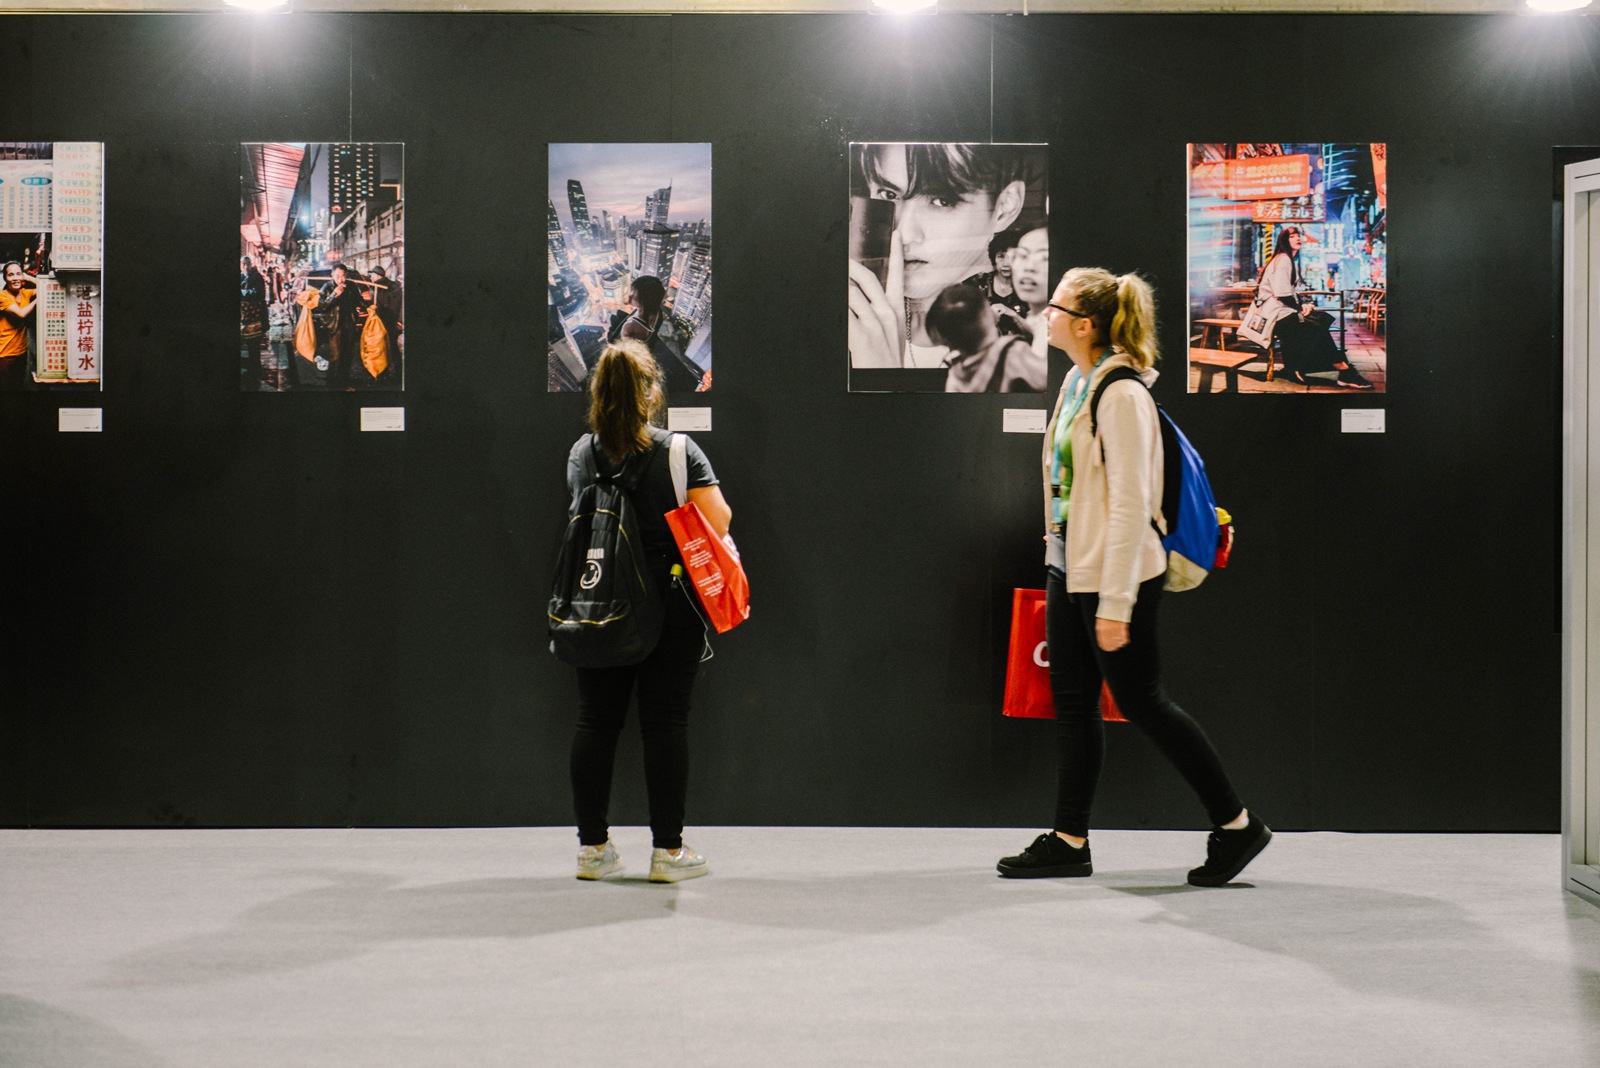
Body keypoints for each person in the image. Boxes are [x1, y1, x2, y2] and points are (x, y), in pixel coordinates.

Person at [997, 266, 1271, 887]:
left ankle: (1236, 825)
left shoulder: (1121, 394)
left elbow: (1130, 503)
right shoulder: (1076, 380)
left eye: (1058, 307)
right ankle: (1070, 840)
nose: (1048, 314)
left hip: (1115, 575)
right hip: (1070, 566)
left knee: (1144, 702)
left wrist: (1116, 603)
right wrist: (1056, 551)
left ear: (1086, 324)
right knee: (1074, 705)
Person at [566, 338, 732, 883]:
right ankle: (668, 852)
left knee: (596, 723)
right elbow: (720, 521)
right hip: (670, 600)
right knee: (664, 723)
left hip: (598, 602)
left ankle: (593, 850)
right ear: (650, 392)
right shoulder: (679, 450)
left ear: (598, 393)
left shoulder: (582, 454)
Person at [848, 143, 1030, 370]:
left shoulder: (1016, 350)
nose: (903, 233)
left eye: (942, 200)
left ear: (1005, 207)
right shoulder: (853, 317)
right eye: (890, 194)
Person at [1256, 226, 1372, 389]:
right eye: (1292, 236)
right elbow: (1282, 294)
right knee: (1316, 328)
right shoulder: (1283, 260)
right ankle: (1343, 369)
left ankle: (1297, 367)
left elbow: (1291, 293)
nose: (1298, 238)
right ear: (1284, 241)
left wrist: (1304, 305)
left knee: (1321, 320)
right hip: (1274, 316)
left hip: (1282, 313)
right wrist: (1300, 306)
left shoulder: (1289, 260)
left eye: (1299, 235)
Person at [924, 283, 1043, 393]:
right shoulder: (1013, 352)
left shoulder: (956, 374)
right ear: (986, 318)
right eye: (987, 307)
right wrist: (1040, 332)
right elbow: (1045, 379)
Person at [316, 263, 370, 391]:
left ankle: (343, 384)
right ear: (332, 275)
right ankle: (332, 386)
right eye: (338, 276)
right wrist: (334, 295)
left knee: (348, 354)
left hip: (349, 323)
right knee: (336, 355)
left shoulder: (351, 286)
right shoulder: (328, 287)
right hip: (334, 325)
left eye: (343, 276)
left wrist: (369, 307)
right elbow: (321, 306)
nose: (341, 279)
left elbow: (358, 300)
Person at [962, 229, 1027, 318]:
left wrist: (1013, 314)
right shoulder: (976, 283)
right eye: (1001, 256)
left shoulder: (1028, 287)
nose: (1005, 264)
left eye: (1012, 257)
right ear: (994, 258)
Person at [0, 261, 38, 390]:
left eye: (18, 274)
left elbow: (46, 286)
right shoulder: (2, 296)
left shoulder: (24, 293)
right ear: (5, 278)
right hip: (5, 354)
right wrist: (37, 300)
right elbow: (21, 314)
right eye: (11, 275)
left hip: (21, 351)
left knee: (18, 388)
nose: (15, 278)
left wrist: (26, 276)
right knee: (5, 391)